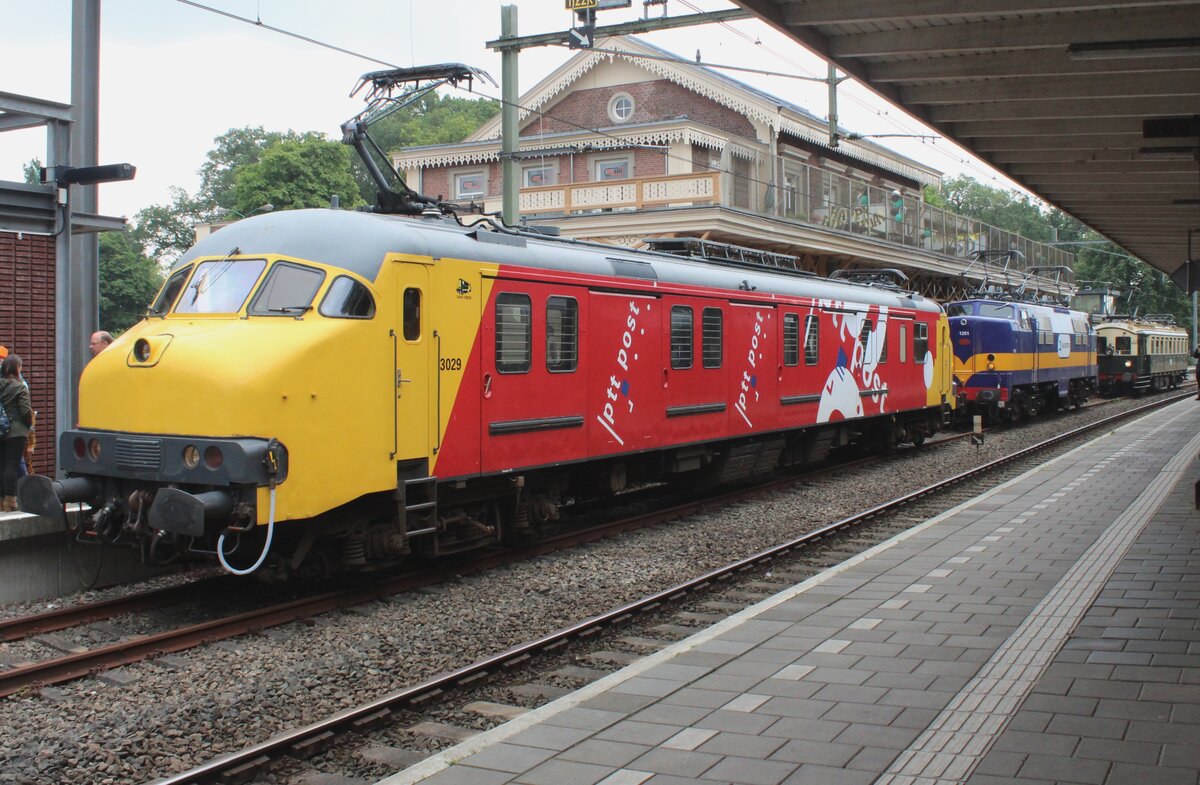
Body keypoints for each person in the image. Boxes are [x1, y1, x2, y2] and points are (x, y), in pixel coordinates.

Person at [0, 355, 33, 512]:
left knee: (2, 465)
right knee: (12, 466)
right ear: (16, 368)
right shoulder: (20, 387)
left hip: (1, 430)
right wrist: (28, 424)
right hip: (16, 431)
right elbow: (26, 411)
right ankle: (11, 501)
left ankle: (1, 501)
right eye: (20, 366)